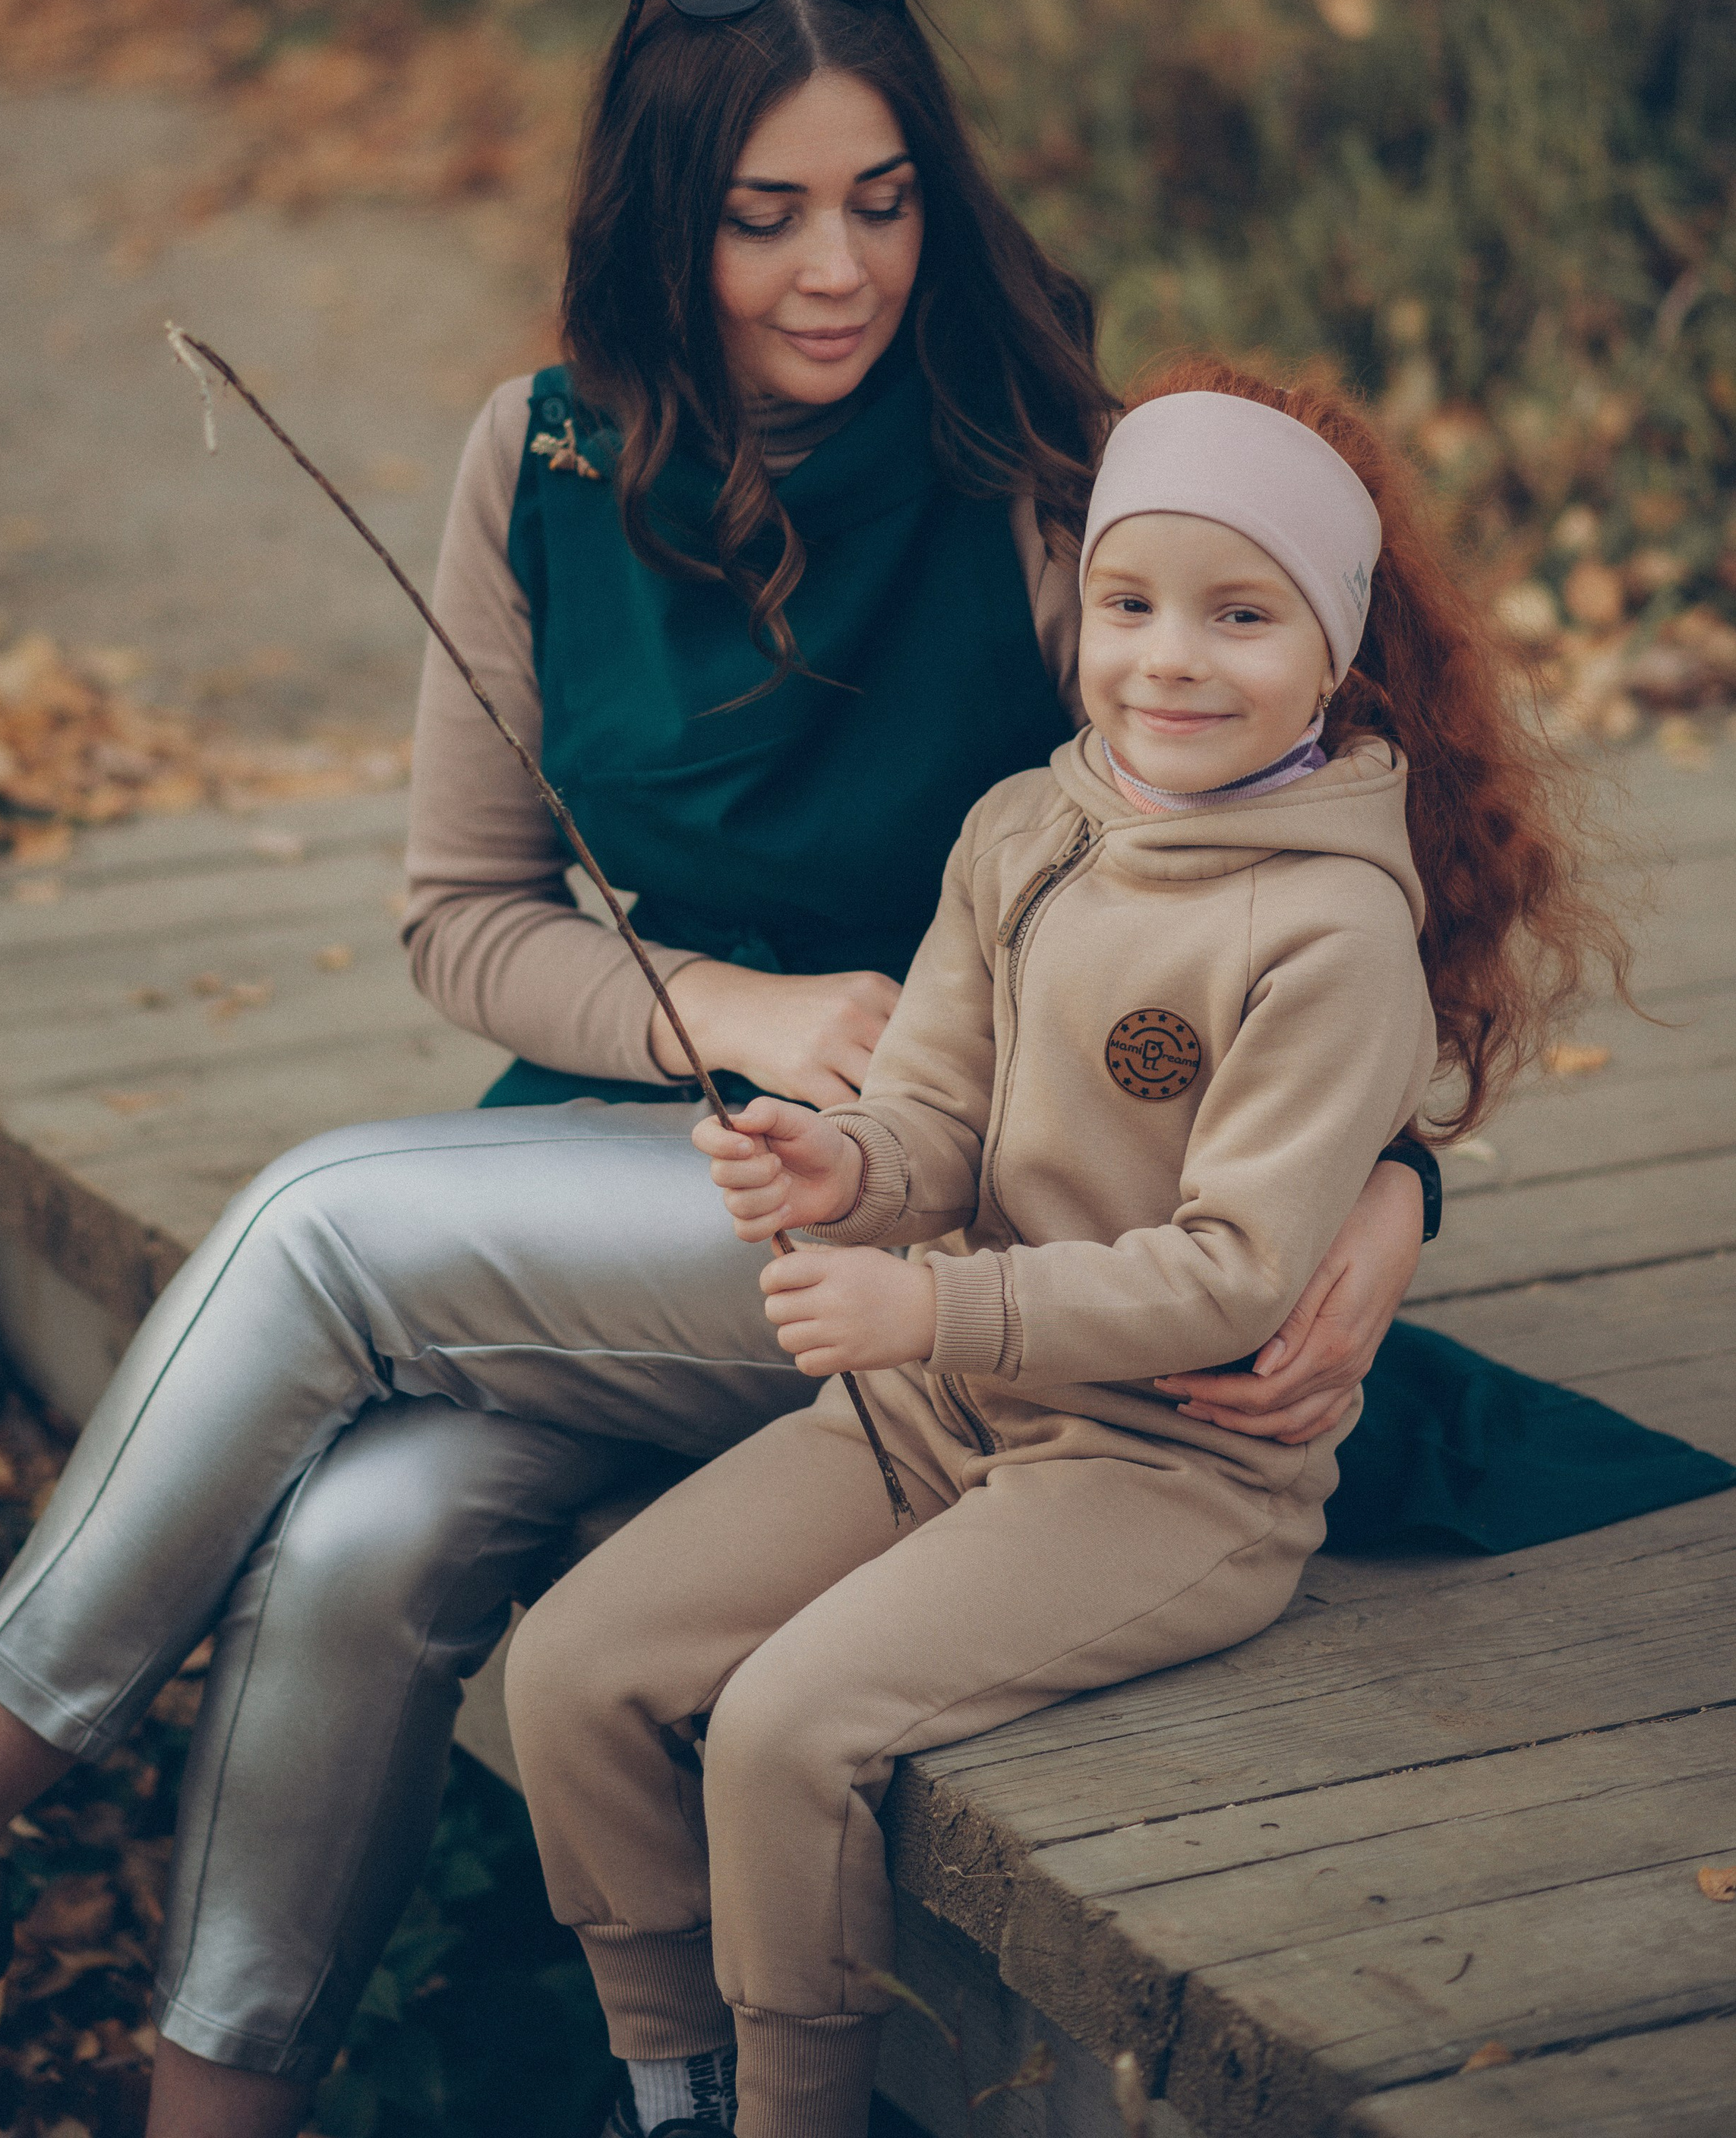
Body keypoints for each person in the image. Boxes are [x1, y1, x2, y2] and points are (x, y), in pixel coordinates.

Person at [0, 0, 1453, 2123]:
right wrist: (734, 1012)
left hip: (954, 1221)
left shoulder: (1048, 486)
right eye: (765, 212)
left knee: (315, 1230)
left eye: (884, 198)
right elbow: (465, 922)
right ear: (662, 215)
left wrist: (1399, 1184)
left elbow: (1322, 863)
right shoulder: (544, 458)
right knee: (369, 1529)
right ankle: (220, 2101)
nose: (836, 267)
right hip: (674, 1146)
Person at [503, 362, 1632, 2138]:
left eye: (1236, 613)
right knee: (569, 1669)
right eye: (1127, 604)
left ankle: (788, 2111)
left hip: (1165, 1473)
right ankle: (669, 2073)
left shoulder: (1327, 930)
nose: (1167, 658)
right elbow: (935, 1120)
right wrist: (841, 1163)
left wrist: (922, 1296)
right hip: (938, 1414)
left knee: (788, 1728)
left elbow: (1230, 1273)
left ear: (1329, 647)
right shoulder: (1025, 827)